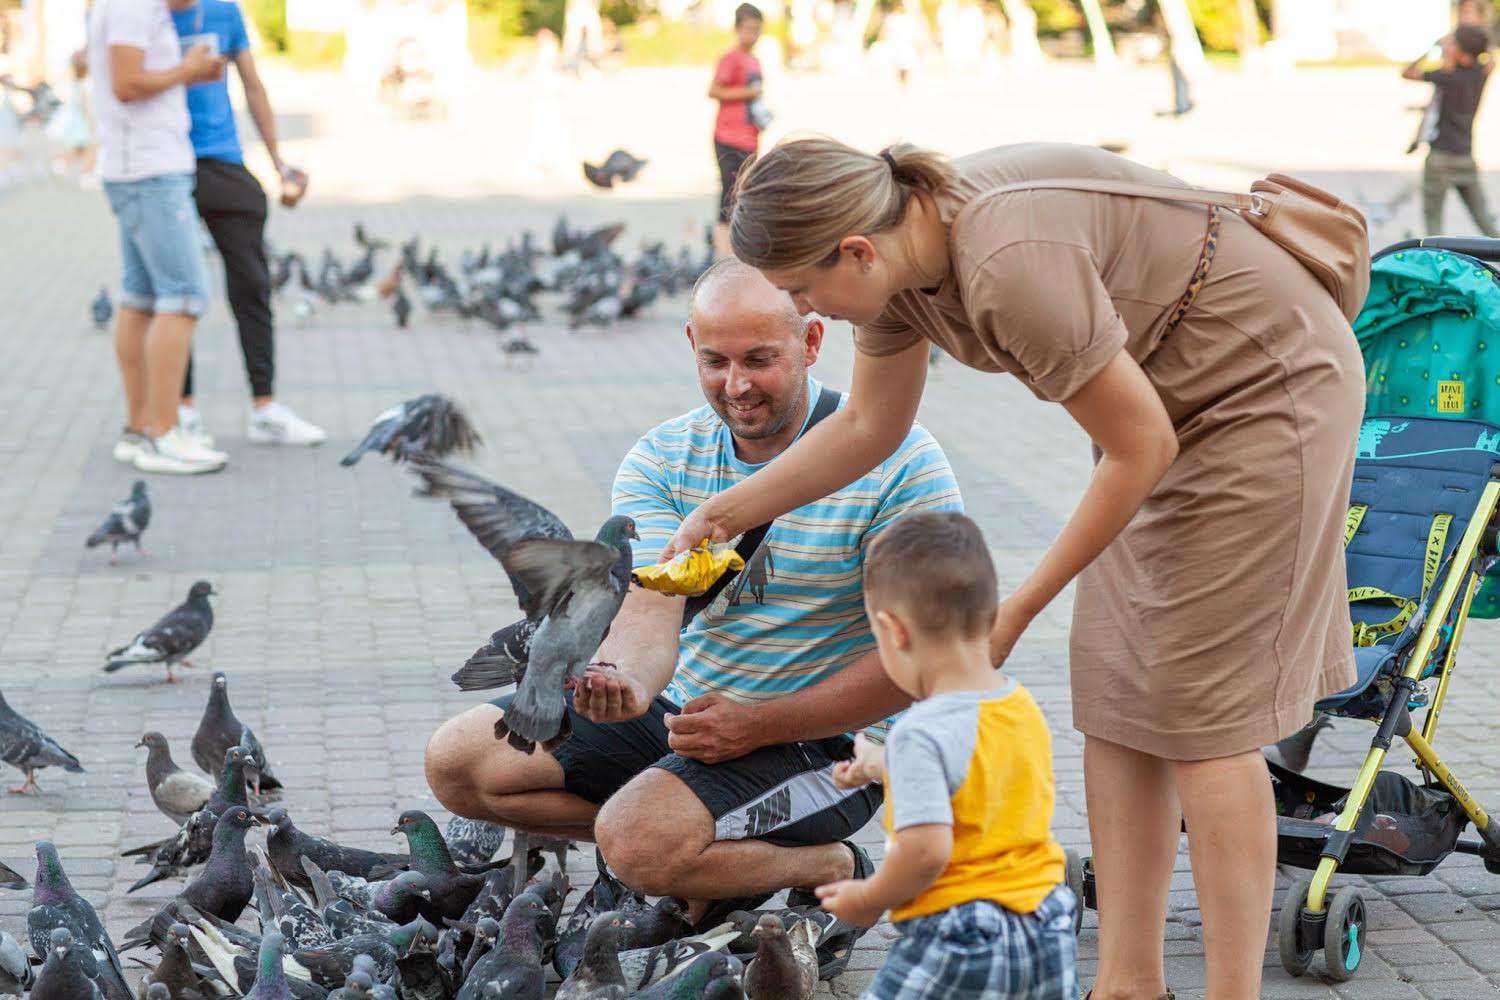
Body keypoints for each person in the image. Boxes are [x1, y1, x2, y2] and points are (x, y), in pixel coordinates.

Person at [661, 139, 1366, 1000]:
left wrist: (1018, 606)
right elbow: (867, 429)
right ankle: (1127, 984)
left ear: (855, 251)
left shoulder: (1004, 263)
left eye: (804, 290)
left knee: (1202, 713)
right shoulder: (892, 270)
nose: (808, 311)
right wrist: (726, 510)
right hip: (1161, 406)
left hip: (1269, 390)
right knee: (1116, 691)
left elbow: (1137, 445)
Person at [424, 259, 962, 936]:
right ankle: (698, 846)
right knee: (457, 764)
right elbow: (650, 611)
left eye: (761, 359)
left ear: (814, 342)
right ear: (689, 345)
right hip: (692, 716)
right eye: (715, 361)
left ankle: (827, 862)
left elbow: (923, 668)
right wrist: (625, 681)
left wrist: (759, 724)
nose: (737, 385)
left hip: (834, 744)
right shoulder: (662, 457)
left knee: (637, 842)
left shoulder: (903, 465)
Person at [818, 511, 1076, 1000]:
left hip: (960, 932)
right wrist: (876, 763)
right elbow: (967, 774)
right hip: (1043, 920)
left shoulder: (921, 732)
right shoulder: (1017, 706)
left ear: (893, 632)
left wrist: (868, 898)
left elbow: (926, 851)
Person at [170, 0, 324, 448]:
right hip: (167, 164)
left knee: (253, 283)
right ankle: (182, 410)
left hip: (222, 161)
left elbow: (253, 85)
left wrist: (278, 161)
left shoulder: (224, 11)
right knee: (179, 290)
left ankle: (265, 407)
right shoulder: (145, 12)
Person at [90, 0, 228, 475]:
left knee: (141, 298)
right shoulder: (134, 5)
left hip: (140, 167)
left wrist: (185, 71)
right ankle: (165, 433)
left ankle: (141, 428)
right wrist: (184, 69)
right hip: (149, 170)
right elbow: (126, 82)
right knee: (185, 295)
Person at [1404, 24, 1497, 236]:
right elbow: (1490, 60)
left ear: (1460, 50)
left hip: (1440, 158)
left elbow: (1407, 73)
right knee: (1484, 220)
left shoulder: (1446, 76)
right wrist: (1480, 46)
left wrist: (1433, 48)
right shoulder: (1479, 75)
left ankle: (1435, 263)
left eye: (1453, 42)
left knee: (1433, 223)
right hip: (1465, 157)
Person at [709, 4, 764, 258]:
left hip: (749, 138)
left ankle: (736, 251)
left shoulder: (754, 60)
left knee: (744, 195)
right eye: (748, 29)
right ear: (737, 29)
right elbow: (714, 90)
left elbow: (754, 101)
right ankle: (723, 254)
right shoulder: (730, 58)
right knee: (729, 194)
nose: (752, 35)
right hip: (728, 137)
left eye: (757, 30)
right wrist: (747, 93)